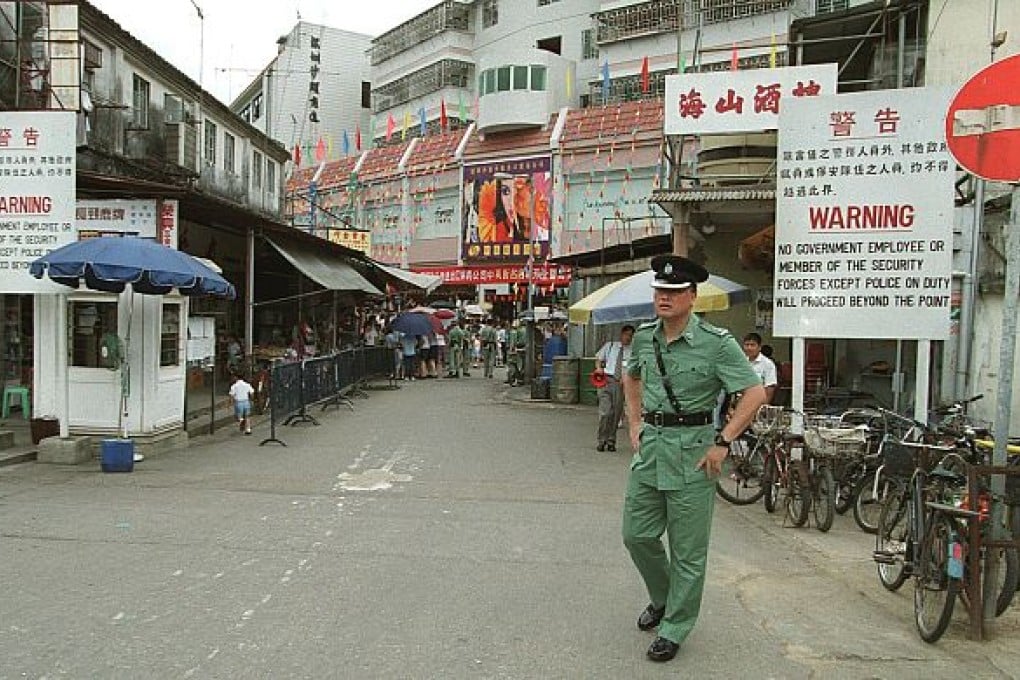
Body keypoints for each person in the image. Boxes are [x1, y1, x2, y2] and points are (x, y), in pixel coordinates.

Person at [621, 255, 766, 663]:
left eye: (673, 292)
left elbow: (753, 393)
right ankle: (664, 597)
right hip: (652, 449)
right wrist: (634, 423)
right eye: (659, 291)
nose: (663, 298)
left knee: (688, 550)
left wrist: (724, 441)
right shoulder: (647, 337)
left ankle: (675, 625)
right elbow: (630, 377)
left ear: (693, 297)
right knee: (637, 535)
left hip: (694, 452)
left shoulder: (716, 343)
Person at [594, 324, 635, 452]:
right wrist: (599, 368)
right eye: (626, 334)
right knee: (605, 412)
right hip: (606, 380)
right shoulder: (610, 346)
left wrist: (627, 377)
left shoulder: (633, 351)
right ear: (621, 334)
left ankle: (611, 440)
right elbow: (598, 359)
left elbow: (634, 369)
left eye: (630, 336)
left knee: (616, 414)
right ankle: (601, 439)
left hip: (621, 383)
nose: (627, 338)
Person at [742, 332, 778, 404]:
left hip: (758, 403)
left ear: (759, 347)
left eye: (752, 345)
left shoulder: (767, 364)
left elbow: (770, 388)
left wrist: (762, 407)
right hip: (742, 402)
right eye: (747, 345)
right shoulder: (742, 362)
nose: (749, 348)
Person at [228, 371, 256, 435]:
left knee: (239, 415)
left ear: (236, 377)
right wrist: (251, 399)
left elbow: (231, 395)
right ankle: (248, 429)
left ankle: (241, 422)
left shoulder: (234, 386)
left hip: (238, 402)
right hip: (246, 401)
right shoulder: (247, 385)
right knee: (247, 416)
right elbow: (252, 392)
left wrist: (230, 403)